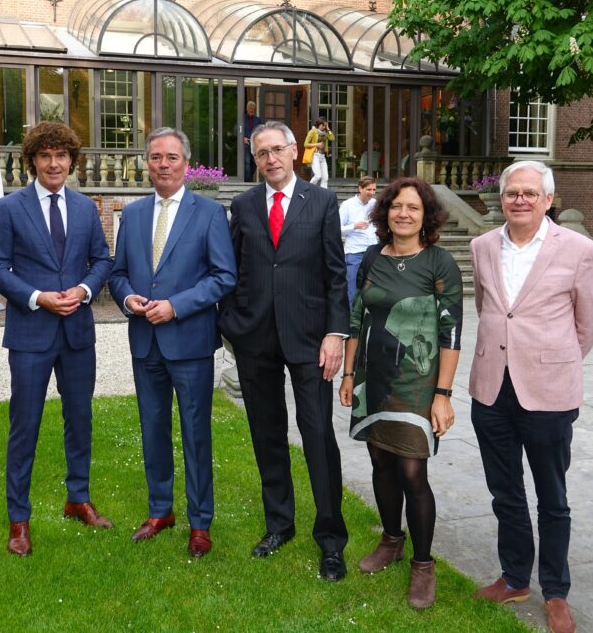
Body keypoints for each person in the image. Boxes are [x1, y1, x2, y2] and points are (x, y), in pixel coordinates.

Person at [469, 160, 593, 633]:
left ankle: (556, 590)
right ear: (501, 198)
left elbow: (588, 323)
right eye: (512, 193)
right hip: (490, 388)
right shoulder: (482, 246)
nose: (519, 200)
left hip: (548, 393)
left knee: (552, 497)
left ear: (548, 199)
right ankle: (514, 577)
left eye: (529, 193)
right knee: (504, 492)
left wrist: (554, 360)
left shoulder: (580, 250)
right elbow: (490, 308)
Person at [218, 120, 350, 581]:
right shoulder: (244, 204)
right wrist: (231, 323)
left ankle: (331, 539)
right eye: (261, 153)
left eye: (277, 150)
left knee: (317, 435)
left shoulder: (323, 202)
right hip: (256, 340)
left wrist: (336, 334)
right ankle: (280, 524)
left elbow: (337, 274)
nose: (270, 159)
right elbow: (231, 269)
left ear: (295, 152)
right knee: (267, 434)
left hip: (311, 339)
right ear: (254, 159)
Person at [0, 121, 114, 557]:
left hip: (77, 332)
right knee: (25, 426)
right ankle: (19, 518)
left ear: (71, 161)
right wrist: (38, 297)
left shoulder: (84, 207)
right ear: (33, 161)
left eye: (61, 155)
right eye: (45, 156)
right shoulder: (10, 208)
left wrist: (83, 290)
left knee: (80, 421)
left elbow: (101, 260)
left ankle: (78, 499)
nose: (54, 163)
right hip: (31, 333)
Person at [108, 127, 236, 558]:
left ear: (186, 164)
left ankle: (200, 522)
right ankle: (160, 509)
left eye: (172, 158)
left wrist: (176, 306)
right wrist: (127, 297)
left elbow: (224, 276)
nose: (164, 165)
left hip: (191, 343)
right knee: (153, 430)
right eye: (156, 157)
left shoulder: (209, 213)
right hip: (145, 343)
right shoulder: (134, 213)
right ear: (147, 163)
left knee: (196, 435)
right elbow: (117, 271)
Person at [338, 177, 462, 609]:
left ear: (426, 216)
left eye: (413, 207)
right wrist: (349, 373)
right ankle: (391, 539)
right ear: (384, 212)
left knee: (412, 471)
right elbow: (357, 317)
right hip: (374, 378)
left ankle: (423, 565)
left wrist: (442, 394)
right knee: (380, 461)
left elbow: (451, 331)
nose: (403, 214)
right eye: (396, 206)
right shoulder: (372, 257)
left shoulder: (439, 262)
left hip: (417, 382)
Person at [339, 176, 377, 307]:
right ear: (360, 188)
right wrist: (354, 226)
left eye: (374, 189)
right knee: (351, 288)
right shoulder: (347, 205)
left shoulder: (375, 203)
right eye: (368, 189)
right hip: (354, 252)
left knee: (373, 287)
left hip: (373, 251)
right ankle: (347, 322)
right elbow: (337, 229)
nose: (372, 193)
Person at [304, 117, 334, 189]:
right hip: (315, 155)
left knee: (325, 177)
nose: (324, 127)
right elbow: (305, 144)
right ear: (318, 124)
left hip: (322, 156)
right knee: (318, 175)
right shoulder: (312, 132)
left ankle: (323, 193)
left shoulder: (325, 133)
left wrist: (328, 128)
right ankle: (308, 189)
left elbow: (332, 138)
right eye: (322, 125)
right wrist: (317, 144)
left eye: (325, 125)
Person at [242, 100, 262, 182]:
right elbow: (237, 130)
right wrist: (242, 138)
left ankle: (249, 177)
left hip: (255, 144)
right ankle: (248, 180)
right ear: (246, 108)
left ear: (254, 109)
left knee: (254, 163)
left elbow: (261, 130)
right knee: (246, 162)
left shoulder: (258, 120)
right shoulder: (242, 119)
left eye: (252, 108)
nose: (251, 109)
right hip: (246, 143)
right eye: (249, 107)